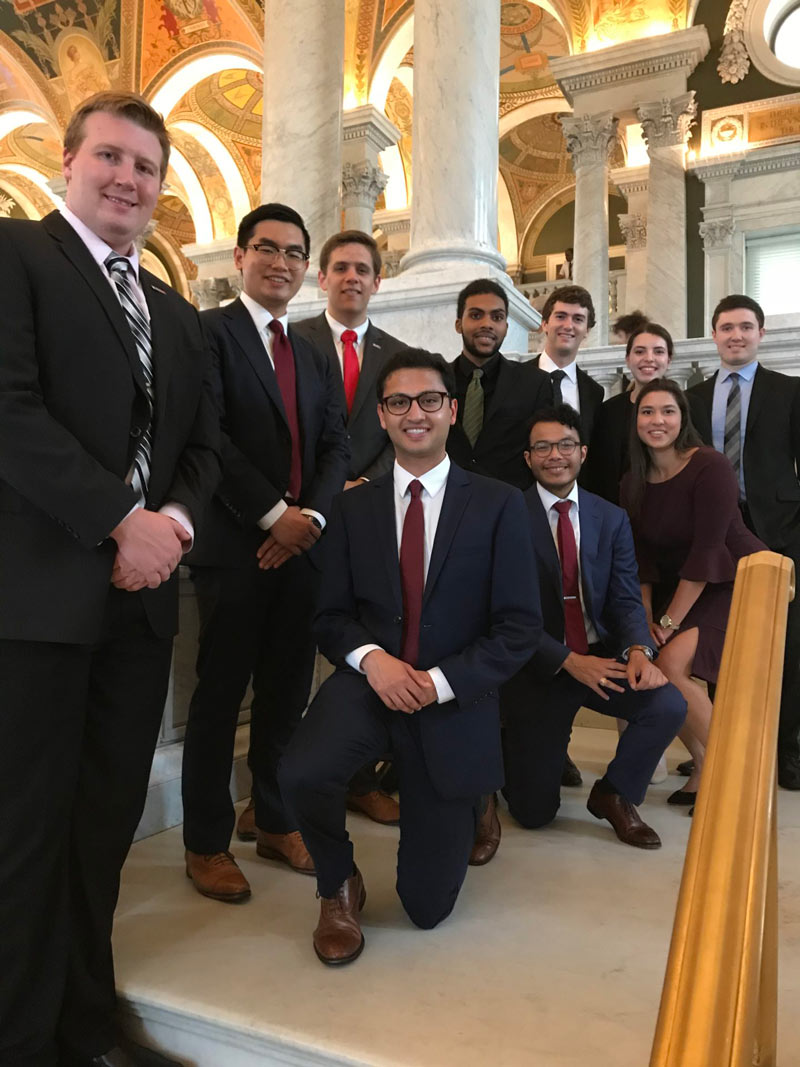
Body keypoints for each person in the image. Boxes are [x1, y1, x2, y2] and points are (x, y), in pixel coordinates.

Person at [0, 92, 220, 1067]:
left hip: (140, 613)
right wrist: (118, 521)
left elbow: (203, 449)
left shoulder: (174, 313)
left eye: (146, 167)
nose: (128, 178)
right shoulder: (16, 255)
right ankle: (20, 1034)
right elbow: (9, 411)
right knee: (26, 834)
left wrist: (171, 527)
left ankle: (87, 1018)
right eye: (111, 157)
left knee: (102, 831)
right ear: (68, 162)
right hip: (38, 606)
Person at [278, 349, 541, 965]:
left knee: (427, 908)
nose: (414, 413)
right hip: (372, 682)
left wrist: (439, 682)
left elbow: (519, 627)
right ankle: (337, 883)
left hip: (453, 692)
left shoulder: (500, 503)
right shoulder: (353, 507)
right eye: (399, 402)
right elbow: (330, 617)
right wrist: (374, 660)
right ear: (381, 415)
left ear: (451, 410)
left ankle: (475, 794)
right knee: (301, 773)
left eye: (429, 400)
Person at [181, 203, 349, 904]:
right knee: (220, 699)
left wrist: (310, 518)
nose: (281, 262)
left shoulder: (312, 349)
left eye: (294, 252)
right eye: (267, 248)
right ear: (240, 257)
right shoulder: (207, 333)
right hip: (234, 548)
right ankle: (206, 841)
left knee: (286, 696)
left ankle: (275, 818)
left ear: (306, 266)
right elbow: (208, 435)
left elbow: (336, 444)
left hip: (302, 552)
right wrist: (274, 516)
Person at [501, 406, 685, 848]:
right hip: (539, 666)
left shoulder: (610, 517)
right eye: (543, 447)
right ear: (528, 458)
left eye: (565, 445)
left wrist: (639, 650)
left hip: (602, 658)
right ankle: (518, 750)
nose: (555, 455)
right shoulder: (506, 515)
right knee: (533, 814)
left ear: (582, 452)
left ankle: (614, 793)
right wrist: (567, 660)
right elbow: (503, 615)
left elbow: (625, 597)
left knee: (667, 705)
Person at [293, 229, 407, 826]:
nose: (351, 278)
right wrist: (322, 494)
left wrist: (365, 486)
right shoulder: (292, 341)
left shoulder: (399, 353)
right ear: (322, 277)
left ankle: (359, 780)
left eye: (363, 269)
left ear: (377, 281)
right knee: (290, 663)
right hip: (298, 522)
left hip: (370, 524)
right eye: (340, 267)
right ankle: (281, 792)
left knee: (362, 653)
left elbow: (407, 431)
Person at [620, 379, 764, 806]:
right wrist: (645, 623)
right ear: (636, 421)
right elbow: (640, 560)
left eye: (668, 411)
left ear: (682, 418)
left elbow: (707, 552)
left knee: (670, 663)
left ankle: (735, 774)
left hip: (736, 579)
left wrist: (667, 623)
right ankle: (704, 766)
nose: (657, 420)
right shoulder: (632, 482)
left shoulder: (709, 466)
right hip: (684, 587)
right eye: (647, 412)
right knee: (655, 663)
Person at [688, 295, 800, 790]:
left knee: (788, 641)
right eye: (727, 327)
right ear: (714, 335)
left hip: (781, 530)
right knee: (720, 641)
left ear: (761, 334)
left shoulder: (790, 390)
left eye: (746, 327)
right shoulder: (692, 397)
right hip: (717, 533)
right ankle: (722, 744)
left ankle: (786, 748)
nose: (736, 335)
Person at [585, 323, 708, 505]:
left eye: (658, 351)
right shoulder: (608, 411)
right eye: (640, 351)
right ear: (628, 359)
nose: (649, 358)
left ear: (669, 359)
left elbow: (702, 463)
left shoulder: (692, 405)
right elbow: (600, 474)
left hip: (678, 508)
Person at [446, 278, 550, 491]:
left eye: (497, 317)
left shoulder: (534, 383)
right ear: (458, 324)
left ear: (506, 327)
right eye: (476, 315)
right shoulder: (438, 381)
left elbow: (543, 451)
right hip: (444, 500)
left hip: (511, 501)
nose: (487, 324)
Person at [531, 285, 604, 442]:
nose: (568, 326)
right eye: (561, 316)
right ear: (545, 324)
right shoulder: (515, 378)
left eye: (578, 319)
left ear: (587, 330)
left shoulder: (594, 392)